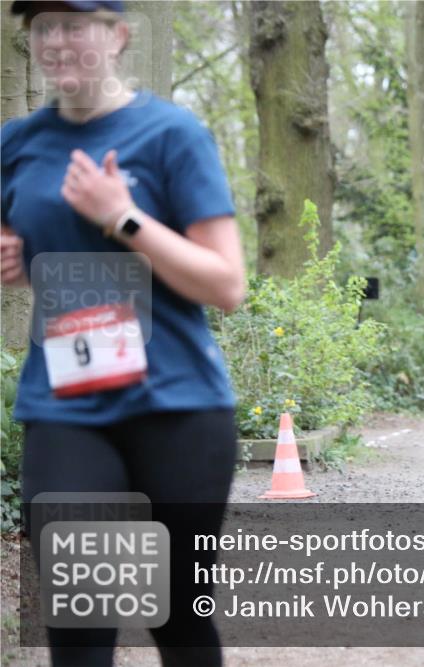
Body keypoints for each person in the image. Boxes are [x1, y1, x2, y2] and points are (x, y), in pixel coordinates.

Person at [1, 2, 245, 665]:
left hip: (179, 406)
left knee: (178, 617)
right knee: (79, 625)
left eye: (74, 23)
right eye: (42, 26)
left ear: (118, 34)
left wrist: (124, 218)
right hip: (66, 409)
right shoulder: (16, 142)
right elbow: (21, 250)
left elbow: (227, 283)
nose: (56, 39)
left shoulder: (172, 134)